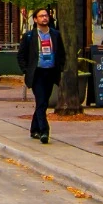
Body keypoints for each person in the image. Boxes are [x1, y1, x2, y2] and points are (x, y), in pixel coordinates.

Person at [18, 8, 67, 142]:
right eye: (41, 16)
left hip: (50, 71)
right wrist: (26, 70)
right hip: (37, 73)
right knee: (41, 101)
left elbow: (61, 53)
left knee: (43, 102)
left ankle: (34, 129)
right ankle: (44, 131)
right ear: (35, 19)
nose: (44, 18)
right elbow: (21, 56)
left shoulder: (55, 35)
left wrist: (60, 67)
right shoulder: (29, 36)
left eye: (46, 16)